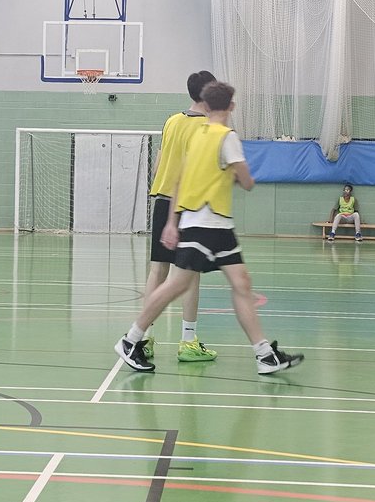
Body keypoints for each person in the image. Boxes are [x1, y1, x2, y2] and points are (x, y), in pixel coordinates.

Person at [113, 81, 305, 376]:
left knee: (242, 283)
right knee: (177, 285)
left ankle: (264, 354)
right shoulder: (226, 137)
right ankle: (131, 339)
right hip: (204, 222)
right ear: (231, 107)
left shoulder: (196, 135)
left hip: (216, 224)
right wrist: (238, 176)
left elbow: (177, 180)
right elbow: (248, 181)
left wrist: (172, 222)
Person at [141, 69, 216, 363]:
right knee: (190, 275)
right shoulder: (208, 128)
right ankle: (188, 341)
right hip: (188, 206)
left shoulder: (172, 121)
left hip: (162, 201)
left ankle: (144, 337)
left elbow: (159, 161)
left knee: (157, 271)